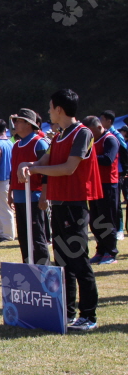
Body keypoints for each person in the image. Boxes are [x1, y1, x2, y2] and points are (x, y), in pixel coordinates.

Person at [17, 89, 102, 332]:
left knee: (78, 260)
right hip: (59, 203)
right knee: (63, 262)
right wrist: (28, 165)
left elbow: (68, 168)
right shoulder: (59, 136)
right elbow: (45, 161)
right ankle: (67, 312)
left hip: (75, 205)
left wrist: (35, 170)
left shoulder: (82, 133)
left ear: (59, 109)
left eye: (50, 107)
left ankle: (89, 315)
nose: (48, 111)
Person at [8, 108, 51, 265]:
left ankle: (43, 268)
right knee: (23, 236)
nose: (15, 124)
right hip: (19, 197)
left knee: (37, 236)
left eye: (18, 121)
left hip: (34, 197)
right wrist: (10, 192)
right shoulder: (16, 145)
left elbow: (46, 172)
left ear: (28, 124)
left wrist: (44, 196)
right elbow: (13, 171)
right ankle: (28, 267)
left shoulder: (39, 143)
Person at [82, 116, 119, 265]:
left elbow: (108, 159)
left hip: (108, 185)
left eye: (90, 131)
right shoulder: (91, 141)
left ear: (98, 127)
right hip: (94, 185)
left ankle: (111, 252)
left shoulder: (110, 139)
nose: (88, 135)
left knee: (107, 220)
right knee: (95, 221)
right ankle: (101, 250)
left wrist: (88, 157)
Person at [100, 110, 127, 240]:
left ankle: (119, 229)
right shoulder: (103, 135)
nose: (100, 122)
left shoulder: (115, 135)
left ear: (109, 121)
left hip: (118, 172)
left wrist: (125, 170)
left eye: (102, 119)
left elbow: (124, 150)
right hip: (111, 173)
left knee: (117, 204)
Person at [0, 119, 16, 242]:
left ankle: (8, 234)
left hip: (1, 180)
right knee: (2, 207)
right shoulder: (10, 143)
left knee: (5, 208)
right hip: (10, 179)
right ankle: (0, 232)